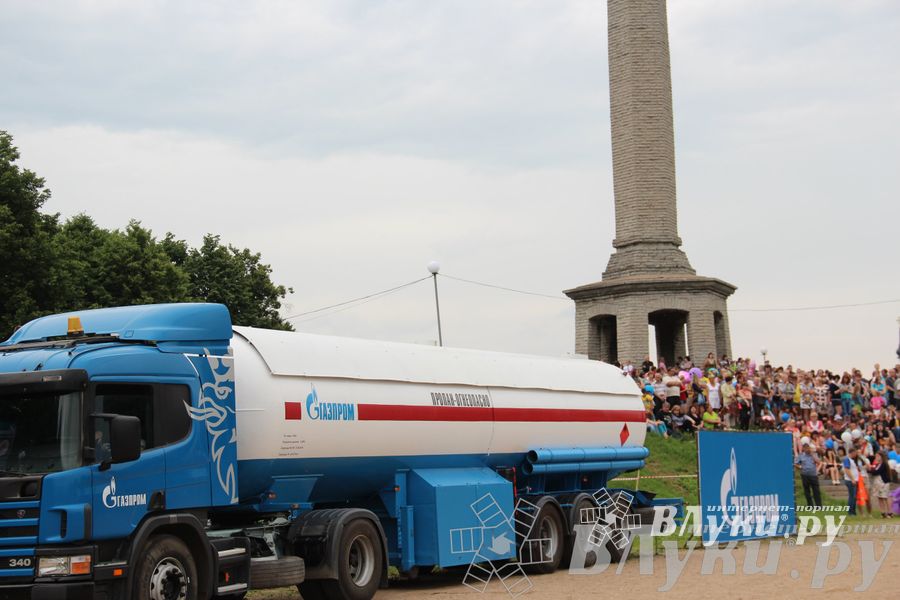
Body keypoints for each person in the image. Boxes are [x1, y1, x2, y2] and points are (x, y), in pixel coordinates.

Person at [795, 443, 822, 507]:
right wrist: (800, 467)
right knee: (807, 491)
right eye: (806, 448)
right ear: (803, 449)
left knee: (816, 491)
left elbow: (819, 462)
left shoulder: (814, 455)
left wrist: (812, 455)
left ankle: (819, 506)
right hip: (805, 475)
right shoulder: (801, 455)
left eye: (808, 448)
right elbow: (796, 463)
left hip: (813, 475)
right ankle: (810, 506)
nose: (808, 449)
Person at [868, 451, 893, 518]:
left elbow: (876, 472)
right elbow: (874, 470)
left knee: (885, 497)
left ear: (881, 457)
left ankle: (889, 512)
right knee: (880, 497)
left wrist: (870, 469)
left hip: (883, 482)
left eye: (877, 456)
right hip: (878, 483)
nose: (876, 458)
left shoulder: (883, 464)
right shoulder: (878, 464)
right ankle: (883, 512)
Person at [842, 447, 860, 516]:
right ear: (852, 452)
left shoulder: (852, 460)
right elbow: (847, 470)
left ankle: (853, 511)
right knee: (852, 496)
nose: (856, 454)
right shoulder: (847, 459)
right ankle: (850, 512)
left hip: (854, 480)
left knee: (854, 496)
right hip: (850, 480)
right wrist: (852, 479)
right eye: (855, 453)